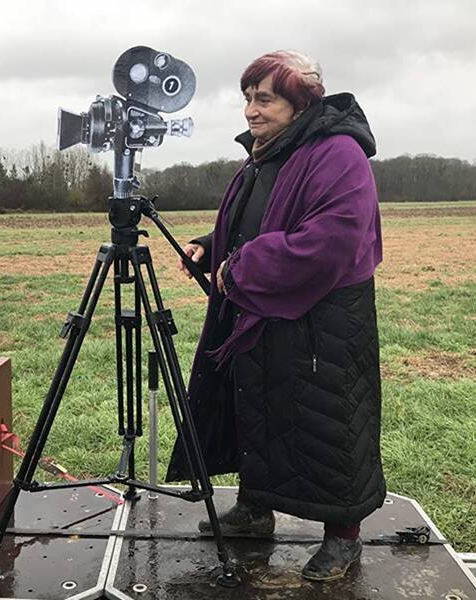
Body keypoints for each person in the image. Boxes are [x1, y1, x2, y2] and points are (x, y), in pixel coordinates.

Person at [165, 50, 385, 582]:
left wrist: (243, 266)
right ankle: (255, 509)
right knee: (257, 412)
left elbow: (331, 240)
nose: (250, 111)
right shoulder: (267, 152)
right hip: (261, 312)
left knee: (329, 424)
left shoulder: (338, 152)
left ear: (300, 102)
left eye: (263, 99)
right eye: (247, 98)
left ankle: (343, 538)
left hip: (323, 323)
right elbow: (256, 221)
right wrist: (211, 246)